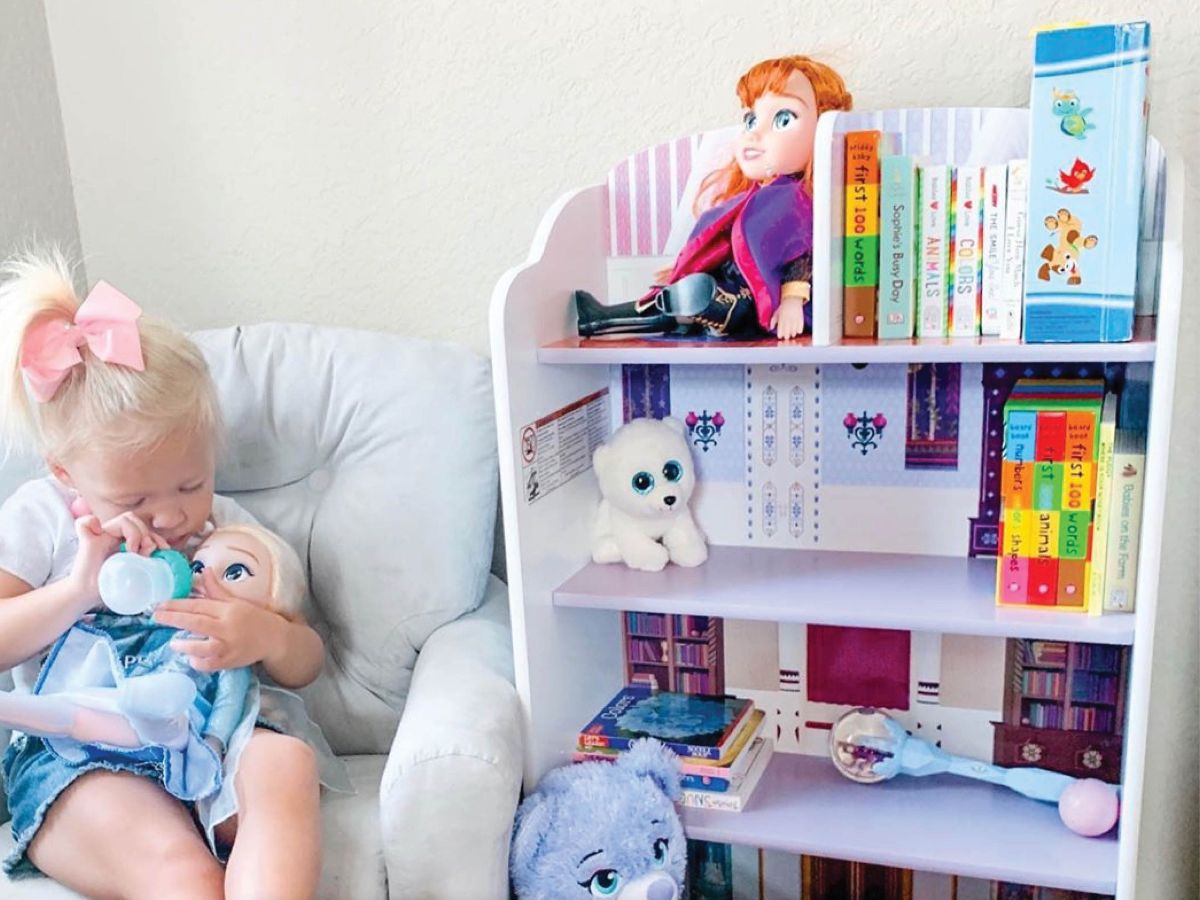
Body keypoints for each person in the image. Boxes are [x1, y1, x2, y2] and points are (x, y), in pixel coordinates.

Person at [0, 250, 328, 899]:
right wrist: (77, 591)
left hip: (209, 739)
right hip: (80, 756)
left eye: (191, 482)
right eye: (134, 501)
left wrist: (263, 635)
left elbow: (307, 659)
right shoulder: (40, 518)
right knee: (186, 878)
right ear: (65, 473)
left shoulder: (225, 528)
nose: (174, 514)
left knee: (286, 761)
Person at [575, 55, 852, 341]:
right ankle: (604, 319)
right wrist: (685, 268)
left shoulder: (798, 201)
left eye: (783, 119)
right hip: (730, 283)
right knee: (669, 299)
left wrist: (793, 300)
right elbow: (724, 246)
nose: (755, 133)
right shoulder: (760, 197)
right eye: (751, 119)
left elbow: (800, 252)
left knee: (708, 298)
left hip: (758, 298)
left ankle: (699, 308)